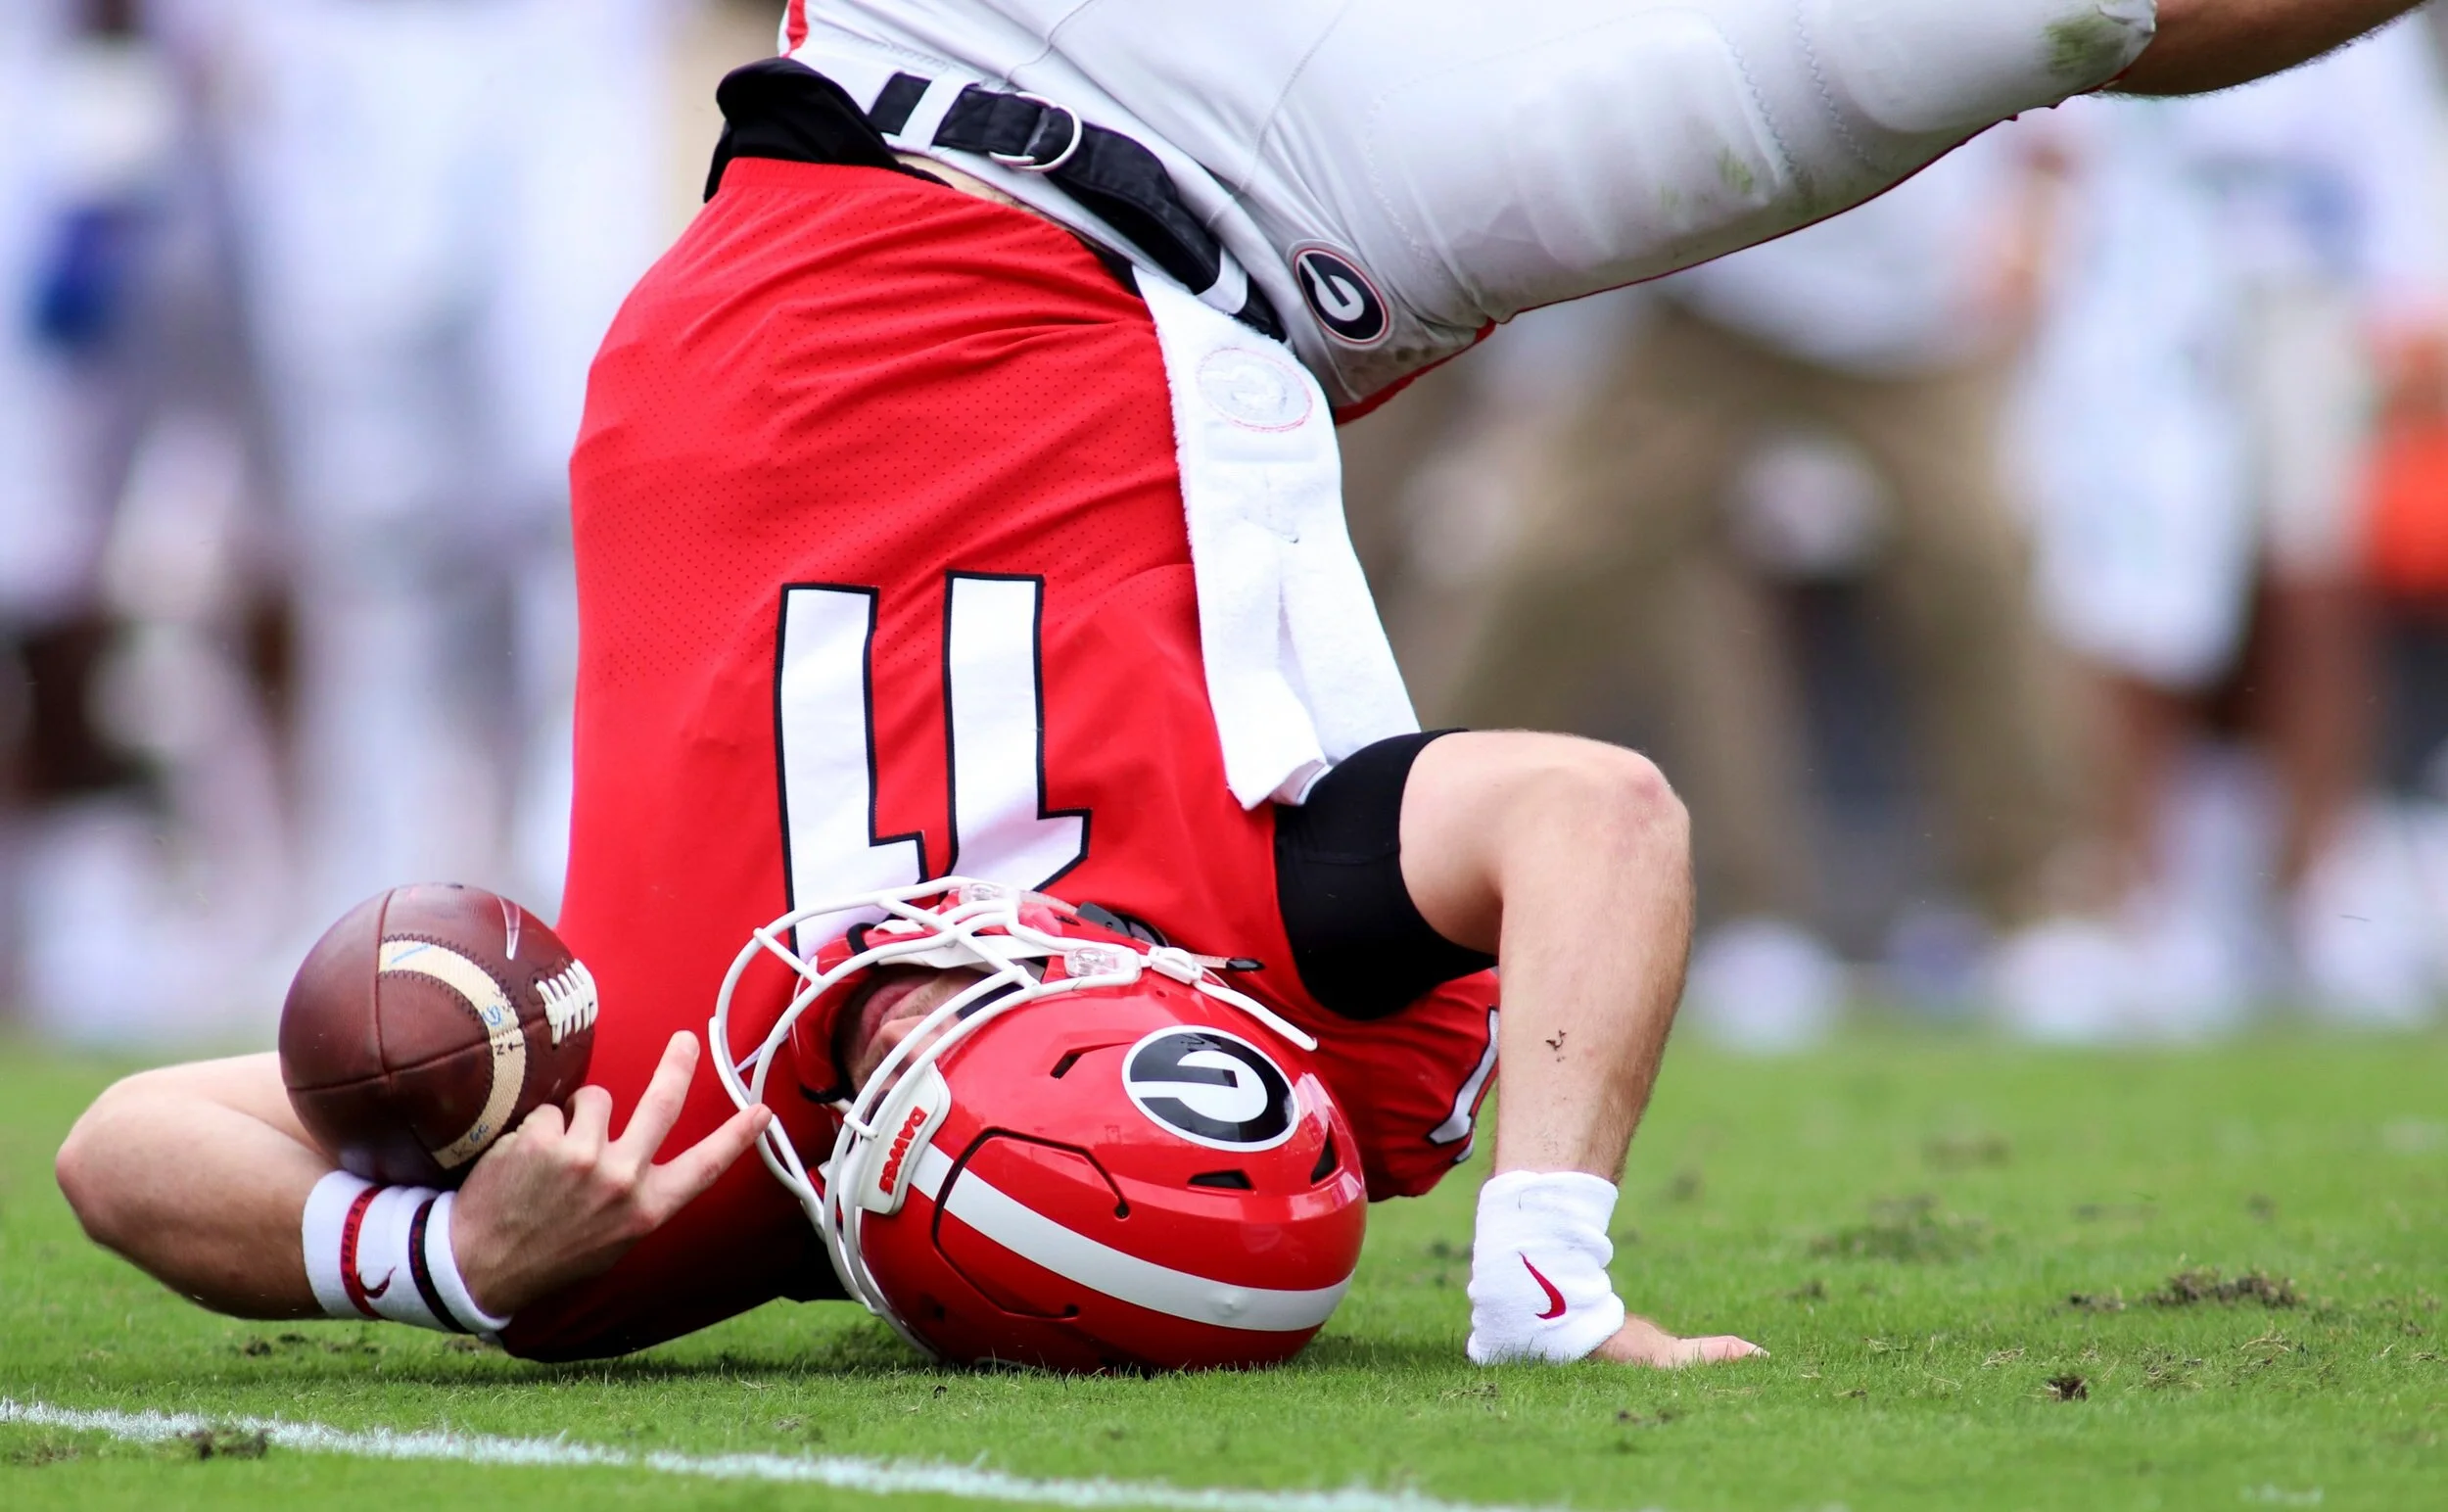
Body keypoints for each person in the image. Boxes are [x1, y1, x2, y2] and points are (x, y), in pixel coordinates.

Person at [56, 0, 2425, 1372]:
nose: (1039, 992)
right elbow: (1602, 809)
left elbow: (114, 1147)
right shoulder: (1211, 942)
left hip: (924, 58)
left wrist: (448, 1257)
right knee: (1966, 36)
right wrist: (1543, 1265)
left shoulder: (696, 1146)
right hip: (1275, 210)